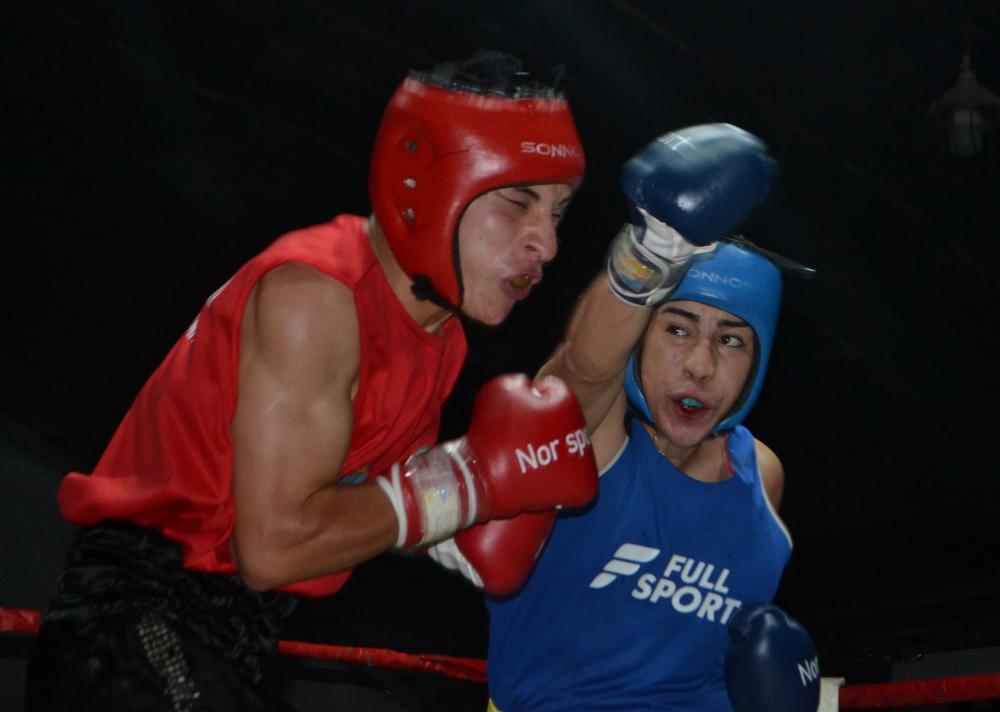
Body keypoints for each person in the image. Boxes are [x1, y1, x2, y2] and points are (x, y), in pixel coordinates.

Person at [24, 51, 600, 711]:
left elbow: (370, 500)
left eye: (557, 214)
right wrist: (470, 483)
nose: (546, 244)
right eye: (519, 202)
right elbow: (273, 547)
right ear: (430, 181)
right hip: (138, 617)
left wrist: (460, 526)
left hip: (234, 639)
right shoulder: (315, 294)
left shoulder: (439, 340)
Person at [430, 124, 820, 710]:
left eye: (731, 341)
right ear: (640, 338)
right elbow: (583, 369)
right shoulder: (588, 441)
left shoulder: (762, 477)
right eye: (678, 330)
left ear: (758, 362)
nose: (700, 366)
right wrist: (648, 255)